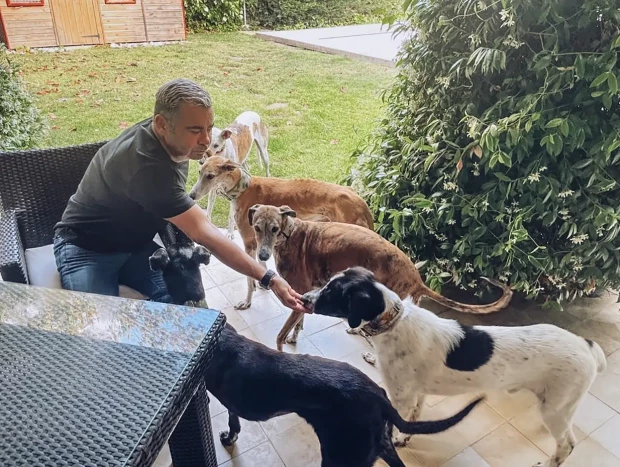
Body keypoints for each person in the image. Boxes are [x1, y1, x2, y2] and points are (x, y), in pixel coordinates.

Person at [53, 78, 307, 313]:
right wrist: (269, 278)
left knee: (186, 310)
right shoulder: (147, 167)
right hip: (86, 248)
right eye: (196, 130)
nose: (206, 141)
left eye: (209, 127)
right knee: (99, 326)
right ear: (162, 124)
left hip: (136, 246)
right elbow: (207, 234)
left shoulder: (173, 139)